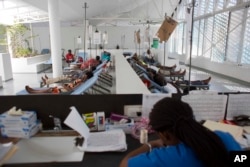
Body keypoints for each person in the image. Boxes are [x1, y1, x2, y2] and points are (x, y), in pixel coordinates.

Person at [119, 97, 242, 167]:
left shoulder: (167, 157)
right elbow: (241, 159)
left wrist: (152, 144)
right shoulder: (225, 138)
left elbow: (124, 164)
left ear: (164, 134)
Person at [26, 70, 94, 94]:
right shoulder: (81, 81)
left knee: (49, 90)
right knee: (48, 90)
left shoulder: (81, 83)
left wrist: (64, 86)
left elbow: (71, 90)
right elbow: (72, 85)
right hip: (64, 87)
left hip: (64, 90)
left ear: (87, 77)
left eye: (85, 76)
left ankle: (33, 92)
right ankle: (33, 90)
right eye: (84, 75)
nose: (83, 76)